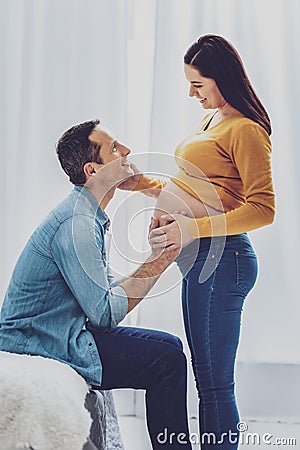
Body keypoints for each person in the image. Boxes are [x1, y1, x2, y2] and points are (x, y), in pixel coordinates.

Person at [0, 120, 192, 450]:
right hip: (39, 342)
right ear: (92, 169)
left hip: (60, 331)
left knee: (172, 347)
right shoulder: (76, 223)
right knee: (168, 361)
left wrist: (157, 256)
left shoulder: (86, 215)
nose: (127, 151)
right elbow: (104, 314)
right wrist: (160, 259)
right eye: (115, 149)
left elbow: (102, 294)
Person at [128, 34, 275, 449]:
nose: (192, 94)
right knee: (204, 379)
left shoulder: (245, 129)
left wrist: (189, 229)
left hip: (225, 260)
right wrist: (141, 184)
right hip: (200, 262)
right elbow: (196, 189)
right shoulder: (212, 120)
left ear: (221, 78)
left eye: (198, 85)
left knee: (214, 386)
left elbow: (263, 208)